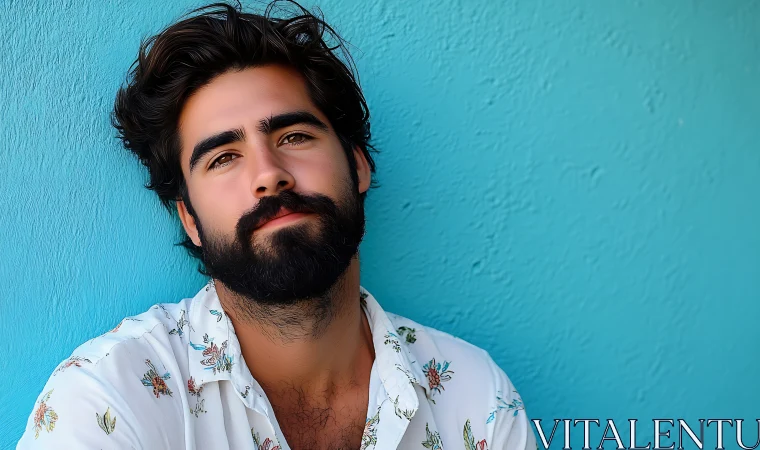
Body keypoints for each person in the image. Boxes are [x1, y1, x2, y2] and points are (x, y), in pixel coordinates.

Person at [18, 2, 536, 448]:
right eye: (222, 158)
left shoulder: (473, 395)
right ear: (190, 219)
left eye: (293, 136)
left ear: (357, 166)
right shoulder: (108, 400)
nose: (268, 175)